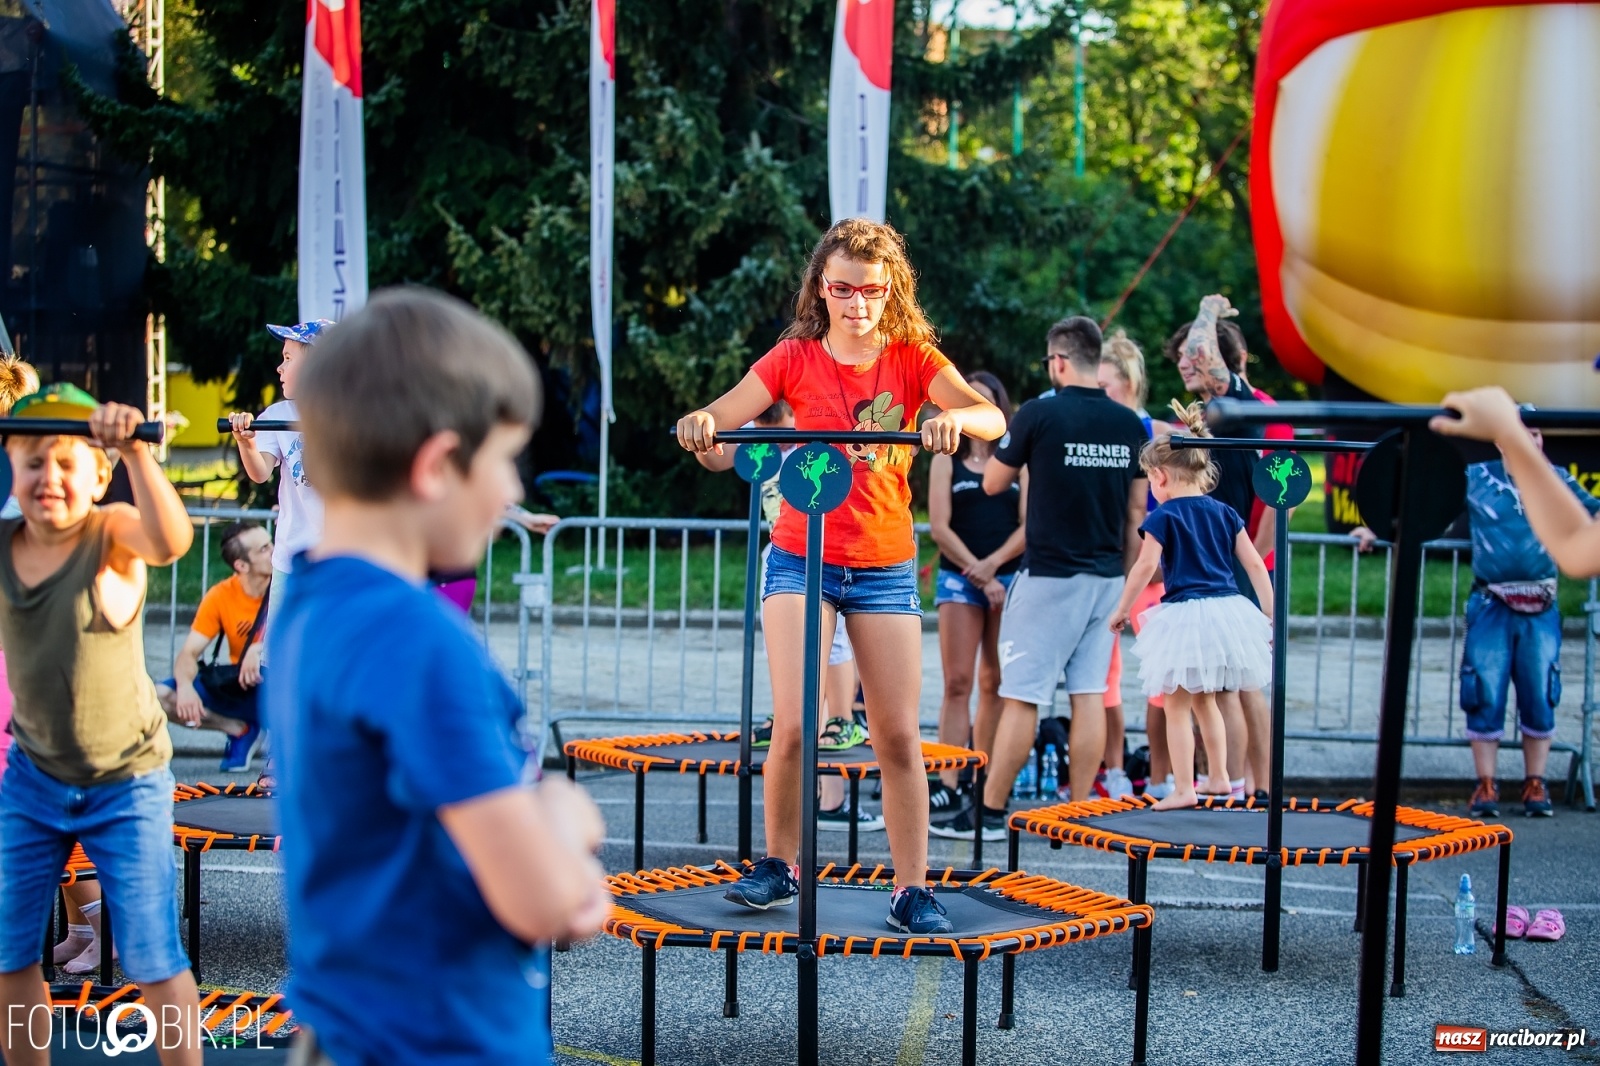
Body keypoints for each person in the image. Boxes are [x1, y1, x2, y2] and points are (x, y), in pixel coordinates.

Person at [267, 288, 610, 1066]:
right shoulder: (421, 644)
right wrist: (564, 815)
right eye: (503, 464)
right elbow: (545, 897)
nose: (514, 494)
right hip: (442, 1041)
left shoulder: (311, 608)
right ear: (435, 466)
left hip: (349, 1029)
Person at [676, 218, 1004, 934]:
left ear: (892, 292)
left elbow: (988, 416)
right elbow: (723, 430)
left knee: (895, 737)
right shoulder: (794, 357)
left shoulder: (913, 357)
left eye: (873, 291)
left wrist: (957, 423)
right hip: (800, 554)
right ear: (820, 288)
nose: (858, 304)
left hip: (883, 565)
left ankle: (911, 888)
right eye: (844, 289)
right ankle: (778, 865)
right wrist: (701, 428)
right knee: (795, 724)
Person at [0, 384, 203, 1064]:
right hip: (32, 780)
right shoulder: (5, 544)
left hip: (127, 782)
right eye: (33, 463)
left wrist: (138, 453)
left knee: (152, 956)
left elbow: (172, 541)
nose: (48, 479)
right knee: (8, 955)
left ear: (98, 474)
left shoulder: (111, 533)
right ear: (11, 466)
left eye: (66, 463)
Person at [950, 316, 1147, 841]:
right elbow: (1135, 514)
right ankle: (1076, 811)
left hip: (1049, 576)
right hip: (1106, 576)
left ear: (1058, 362)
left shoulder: (1039, 413)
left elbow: (993, 482)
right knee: (1087, 695)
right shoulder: (1130, 424)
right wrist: (1125, 584)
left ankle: (988, 810)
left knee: (1023, 696)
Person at [694, 401, 880, 832]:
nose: (768, 427)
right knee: (789, 646)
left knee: (831, 642)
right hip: (783, 549)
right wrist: (702, 436)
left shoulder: (811, 416)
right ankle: (798, 723)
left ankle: (843, 723)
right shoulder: (751, 421)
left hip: (829, 546)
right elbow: (717, 458)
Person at [1111, 436, 1274, 810]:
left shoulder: (1162, 517)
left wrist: (1122, 608)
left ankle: (1184, 787)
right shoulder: (1224, 512)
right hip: (1225, 612)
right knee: (1207, 701)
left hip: (1186, 613)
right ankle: (1219, 777)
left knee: (1177, 706)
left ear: (1160, 476)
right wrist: (1267, 611)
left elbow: (1145, 567)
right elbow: (1253, 563)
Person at [1451, 429, 1597, 817]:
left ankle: (1535, 783)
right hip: (1490, 602)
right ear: (1502, 439)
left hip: (1541, 605)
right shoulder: (1476, 477)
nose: (1529, 440)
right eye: (1520, 432)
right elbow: (1430, 511)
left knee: (1540, 693)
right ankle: (1486, 785)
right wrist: (1378, 529)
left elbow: (1593, 511)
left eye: (1535, 433)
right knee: (1483, 691)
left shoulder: (1558, 481)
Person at [1165, 295, 1267, 799]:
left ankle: (1247, 785)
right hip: (1219, 560)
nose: (1184, 361)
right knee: (1226, 686)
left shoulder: (1235, 404)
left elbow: (1275, 505)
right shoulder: (1213, 412)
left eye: (1191, 354)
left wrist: (1206, 310)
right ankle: (1239, 782)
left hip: (1228, 567)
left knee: (1233, 687)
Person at [926, 371, 1023, 818]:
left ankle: (984, 775)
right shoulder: (947, 457)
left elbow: (1029, 524)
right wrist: (980, 574)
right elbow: (940, 527)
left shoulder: (1018, 460)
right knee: (958, 682)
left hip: (1009, 578)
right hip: (962, 578)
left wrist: (995, 568)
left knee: (996, 682)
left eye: (983, 403)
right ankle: (949, 776)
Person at [1097, 330, 1166, 800]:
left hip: (1157, 567)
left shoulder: (1160, 432)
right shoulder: (1098, 430)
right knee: (1106, 678)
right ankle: (1116, 769)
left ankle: (1165, 774)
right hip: (1114, 566)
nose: (1099, 396)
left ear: (1130, 382)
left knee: (1165, 676)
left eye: (1105, 387)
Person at [228, 319, 332, 612]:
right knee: (282, 655)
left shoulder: (352, 414)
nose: (279, 367)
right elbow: (260, 473)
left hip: (340, 560)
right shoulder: (278, 415)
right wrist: (246, 442)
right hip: (291, 559)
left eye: (288, 358)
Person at [155, 521, 271, 771]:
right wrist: (185, 687)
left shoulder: (288, 587)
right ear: (241, 565)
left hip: (279, 686)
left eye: (271, 544)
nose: (274, 550)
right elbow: (189, 652)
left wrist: (260, 648)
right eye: (263, 549)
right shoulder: (221, 595)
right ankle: (239, 730)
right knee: (161, 695)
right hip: (239, 686)